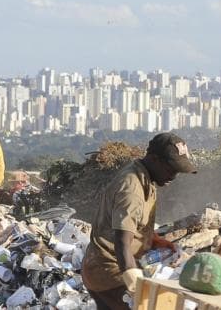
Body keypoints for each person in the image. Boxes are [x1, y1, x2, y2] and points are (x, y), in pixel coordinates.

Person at [81, 133, 197, 310]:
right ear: (153, 159)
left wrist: (158, 242)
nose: (173, 176)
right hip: (110, 273)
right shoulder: (132, 187)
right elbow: (122, 242)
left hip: (102, 268)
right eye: (170, 168)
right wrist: (134, 281)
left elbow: (135, 227)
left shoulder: (145, 177)